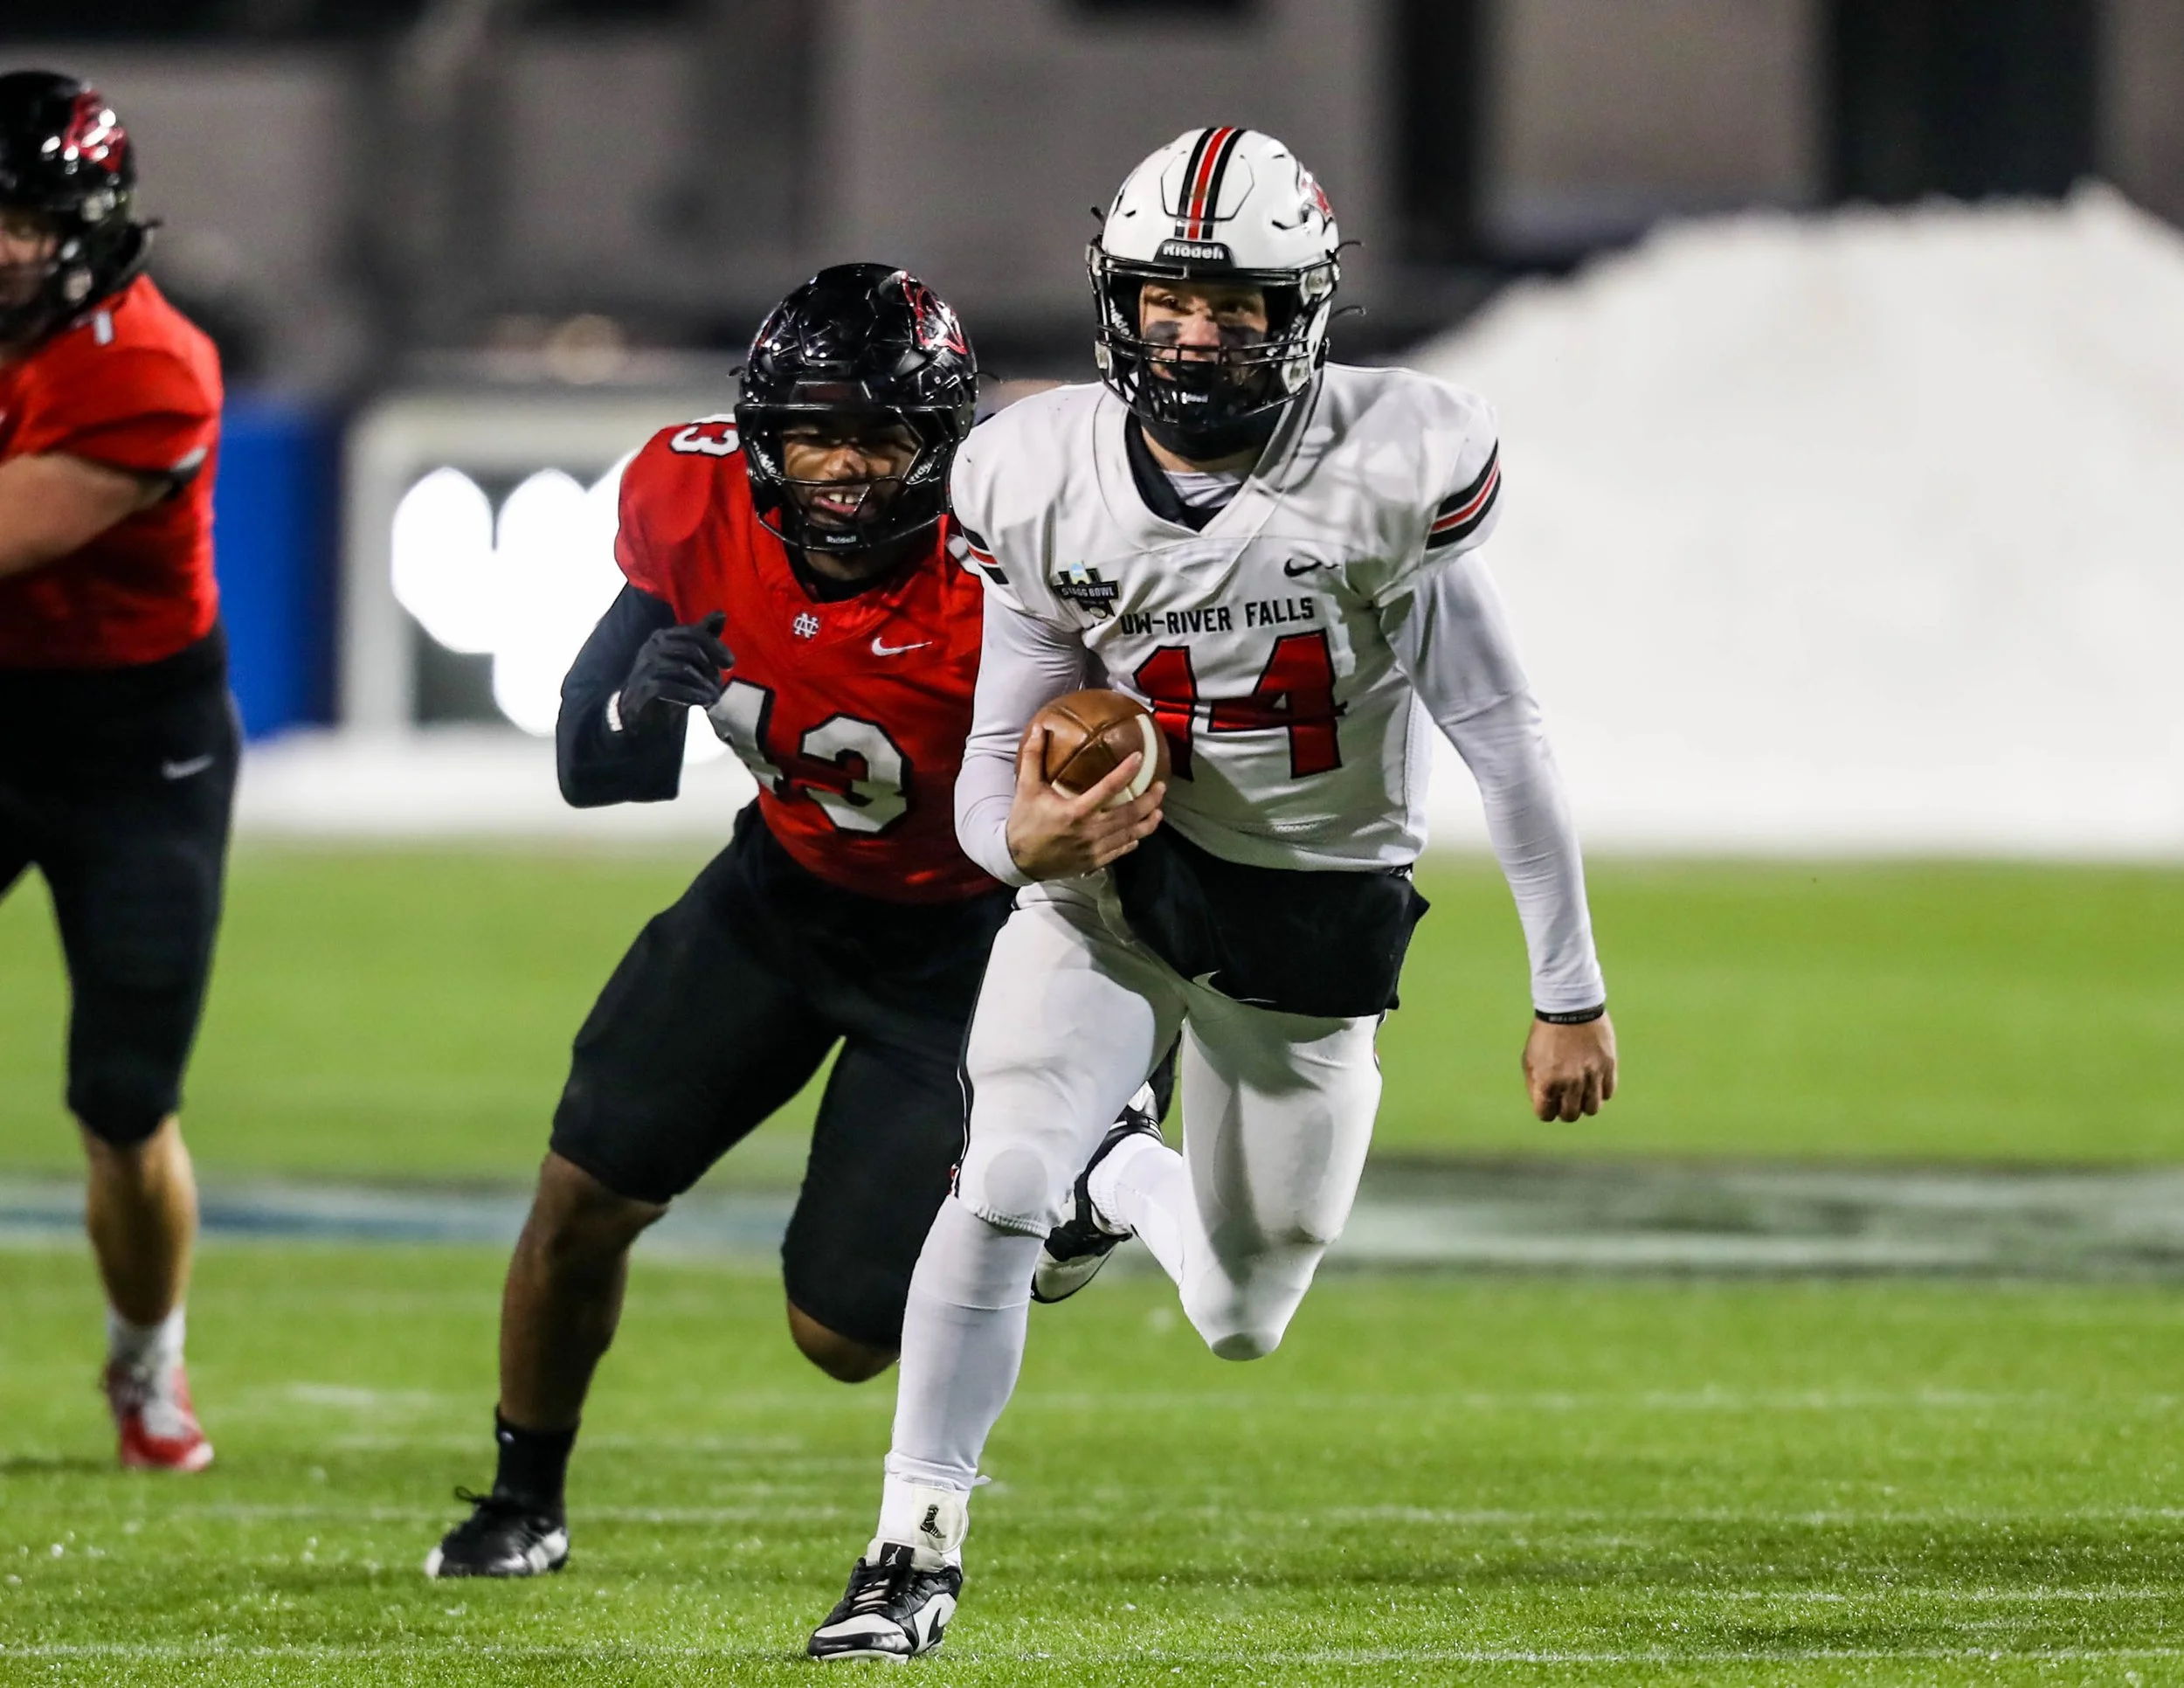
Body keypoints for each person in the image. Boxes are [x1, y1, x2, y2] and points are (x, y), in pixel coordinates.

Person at [805, 128, 1619, 1661]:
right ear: (1122, 297)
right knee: (995, 1182)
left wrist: (1565, 988)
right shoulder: (1042, 478)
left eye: (1237, 303)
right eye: (1172, 295)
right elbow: (999, 757)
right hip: (1119, 891)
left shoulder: (1391, 469)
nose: (1198, 330)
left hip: (1313, 913)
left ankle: (1120, 1179)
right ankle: (911, 1546)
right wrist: (1024, 850)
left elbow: (1501, 735)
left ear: (1299, 312)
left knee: (1244, 1314)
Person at [425, 264, 1159, 1579]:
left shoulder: (1015, 556)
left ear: (942, 444)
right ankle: (521, 1501)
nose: (844, 468)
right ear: (761, 438)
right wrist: (646, 708)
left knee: (838, 1338)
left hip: (962, 949)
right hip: (777, 897)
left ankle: (1075, 1173)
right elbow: (596, 774)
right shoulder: (689, 498)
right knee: (579, 1195)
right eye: (815, 432)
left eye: (880, 434)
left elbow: (1128, 783)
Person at [0, 71, 229, 1474]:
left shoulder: (147, 365)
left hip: (133, 750)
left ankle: (147, 1362)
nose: (4, 246)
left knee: (125, 1102)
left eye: (25, 218)